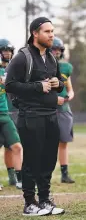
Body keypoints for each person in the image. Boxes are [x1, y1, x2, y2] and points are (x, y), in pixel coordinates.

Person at [5, 17, 65, 216]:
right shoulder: (22, 57)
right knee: (32, 161)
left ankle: (45, 200)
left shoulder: (51, 57)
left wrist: (59, 84)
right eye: (47, 31)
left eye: (52, 31)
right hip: (30, 116)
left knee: (48, 160)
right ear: (35, 33)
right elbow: (10, 85)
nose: (51, 35)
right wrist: (38, 86)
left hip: (51, 116)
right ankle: (30, 203)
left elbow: (60, 83)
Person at [51, 37, 75, 184]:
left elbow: (70, 90)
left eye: (59, 49)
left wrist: (68, 97)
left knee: (64, 142)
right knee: (45, 143)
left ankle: (64, 174)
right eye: (54, 49)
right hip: (47, 109)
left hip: (64, 109)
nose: (57, 52)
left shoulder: (66, 67)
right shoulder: (43, 66)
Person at [0, 38, 23, 190]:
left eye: (9, 50)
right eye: (4, 50)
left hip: (4, 113)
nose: (7, 53)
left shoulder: (10, 69)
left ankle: (19, 180)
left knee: (16, 146)